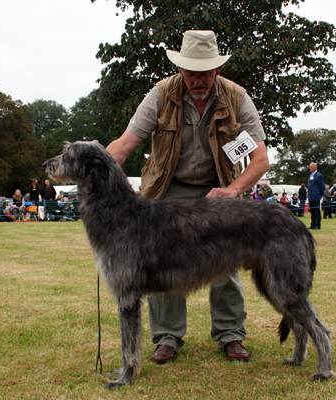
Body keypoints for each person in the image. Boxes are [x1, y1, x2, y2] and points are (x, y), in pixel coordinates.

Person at [105, 30, 269, 364]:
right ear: (180, 70)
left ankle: (230, 335)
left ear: (217, 71)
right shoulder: (160, 95)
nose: (198, 79)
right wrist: (96, 175)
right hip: (168, 189)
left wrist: (233, 191)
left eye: (205, 72)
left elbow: (261, 160)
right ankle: (167, 337)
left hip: (219, 187)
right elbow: (123, 147)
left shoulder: (237, 98)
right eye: (191, 72)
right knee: (161, 263)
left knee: (225, 261)